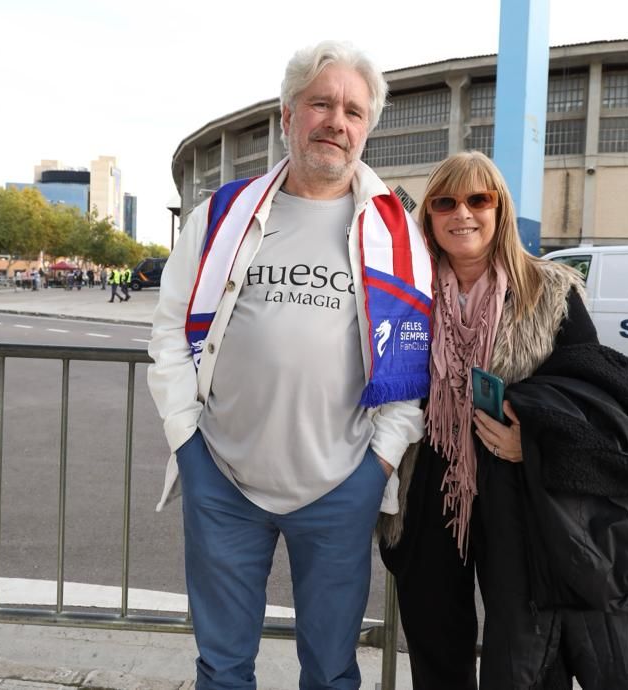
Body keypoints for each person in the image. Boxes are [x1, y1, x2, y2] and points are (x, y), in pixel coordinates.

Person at [147, 40, 433, 690]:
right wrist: (187, 442)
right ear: (288, 115)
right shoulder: (219, 217)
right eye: (322, 103)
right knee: (220, 670)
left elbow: (410, 361)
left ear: (367, 127)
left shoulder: (395, 233)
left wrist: (376, 468)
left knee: (331, 672)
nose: (337, 121)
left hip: (340, 489)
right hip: (221, 480)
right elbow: (167, 331)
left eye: (354, 111)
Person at [378, 152, 628, 690]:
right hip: (427, 484)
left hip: (519, 492)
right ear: (428, 216)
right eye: (445, 202)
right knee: (434, 640)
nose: (462, 214)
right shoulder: (409, 292)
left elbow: (593, 392)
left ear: (500, 210)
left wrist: (535, 441)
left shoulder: (551, 291)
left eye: (479, 199)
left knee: (525, 650)